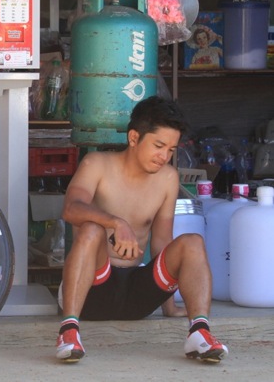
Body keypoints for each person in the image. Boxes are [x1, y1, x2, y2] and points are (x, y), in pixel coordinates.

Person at [55, 96, 228, 363]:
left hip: (136, 295)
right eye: (159, 146)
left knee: (192, 241)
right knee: (91, 229)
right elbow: (71, 209)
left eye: (171, 149)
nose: (164, 157)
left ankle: (199, 333)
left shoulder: (168, 178)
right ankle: (69, 330)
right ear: (134, 137)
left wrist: (168, 306)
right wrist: (115, 222)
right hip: (91, 289)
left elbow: (161, 243)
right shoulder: (96, 164)